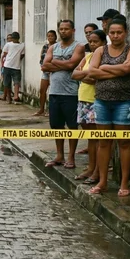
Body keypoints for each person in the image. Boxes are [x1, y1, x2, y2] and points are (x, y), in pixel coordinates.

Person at [87, 16, 130, 196]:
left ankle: (124, 183)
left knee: (124, 142)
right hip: (102, 101)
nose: (116, 35)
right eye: (112, 32)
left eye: (119, 32)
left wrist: (104, 69)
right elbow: (92, 71)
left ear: (125, 33)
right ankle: (102, 182)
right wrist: (117, 71)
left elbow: (128, 69)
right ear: (108, 34)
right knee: (104, 142)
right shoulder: (101, 50)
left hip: (124, 102)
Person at [42, 20, 85, 169]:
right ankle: (59, 155)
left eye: (66, 29)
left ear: (73, 30)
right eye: (61, 29)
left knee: (72, 126)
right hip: (54, 92)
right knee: (56, 126)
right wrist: (63, 63)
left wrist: (55, 62)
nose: (63, 31)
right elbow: (44, 66)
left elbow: (72, 65)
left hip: (71, 93)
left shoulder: (78, 47)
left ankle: (71, 157)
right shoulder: (53, 47)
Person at [72, 29, 106, 183]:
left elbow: (95, 79)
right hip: (83, 98)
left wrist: (84, 75)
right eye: (90, 41)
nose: (92, 44)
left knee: (99, 139)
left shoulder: (104, 58)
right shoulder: (88, 57)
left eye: (96, 41)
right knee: (91, 139)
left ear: (103, 43)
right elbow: (74, 74)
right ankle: (91, 168)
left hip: (95, 100)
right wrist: (87, 75)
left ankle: (98, 171)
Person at [33, 30, 57, 116]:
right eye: (49, 36)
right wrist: (42, 66)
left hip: (54, 71)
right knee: (42, 90)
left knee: (52, 92)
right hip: (45, 71)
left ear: (55, 37)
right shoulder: (45, 46)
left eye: (52, 36)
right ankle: (41, 109)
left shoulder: (57, 46)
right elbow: (41, 58)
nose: (50, 37)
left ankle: (51, 110)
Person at [1, 31, 26, 104]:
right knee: (7, 83)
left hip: (16, 66)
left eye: (15, 38)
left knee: (16, 82)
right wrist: (2, 63)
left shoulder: (22, 45)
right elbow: (4, 55)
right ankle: (9, 97)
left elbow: (22, 55)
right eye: (13, 38)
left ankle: (15, 96)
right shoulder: (8, 45)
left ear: (18, 38)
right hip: (7, 65)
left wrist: (17, 59)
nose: (14, 40)